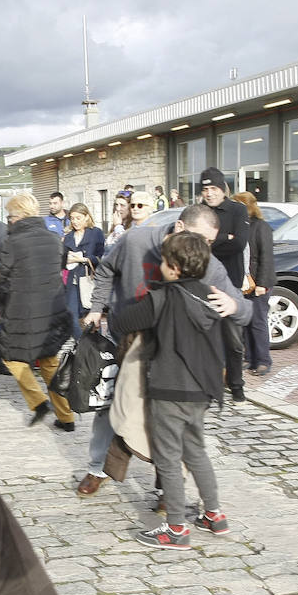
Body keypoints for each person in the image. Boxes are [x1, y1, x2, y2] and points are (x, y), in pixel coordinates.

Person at [77, 202, 248, 497]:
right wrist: (96, 308)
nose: (205, 248)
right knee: (111, 408)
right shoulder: (135, 240)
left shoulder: (207, 263)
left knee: (167, 419)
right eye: (203, 239)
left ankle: (166, 489)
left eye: (210, 242)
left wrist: (234, 305)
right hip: (128, 339)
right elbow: (105, 271)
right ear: (179, 227)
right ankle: (98, 467)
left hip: (172, 353)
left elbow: (244, 310)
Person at [114, 231, 229, 549]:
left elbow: (122, 322)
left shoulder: (161, 298)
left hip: (168, 388)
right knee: (196, 452)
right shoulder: (211, 296)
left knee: (167, 457)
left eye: (164, 262)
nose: (161, 266)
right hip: (201, 391)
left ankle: (176, 528)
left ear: (174, 268)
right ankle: (214, 515)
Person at [0, 193, 76, 431]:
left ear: (19, 216)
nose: (8, 220)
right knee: (50, 361)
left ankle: (39, 402)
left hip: (23, 311)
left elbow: (1, 278)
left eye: (10, 216)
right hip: (53, 309)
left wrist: (3, 302)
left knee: (11, 357)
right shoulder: (54, 239)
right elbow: (60, 267)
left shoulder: (12, 243)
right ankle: (67, 417)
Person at [193, 169, 252, 401]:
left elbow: (239, 243)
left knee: (234, 341)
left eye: (213, 189)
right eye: (205, 189)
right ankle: (209, 385)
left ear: (223, 188)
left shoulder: (237, 209)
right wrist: (223, 237)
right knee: (205, 339)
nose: (209, 193)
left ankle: (237, 385)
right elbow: (192, 241)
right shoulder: (199, 211)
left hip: (231, 285)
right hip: (203, 282)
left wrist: (209, 241)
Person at [236, 190, 277, 376]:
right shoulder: (240, 226)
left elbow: (266, 258)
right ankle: (249, 357)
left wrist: (262, 284)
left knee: (258, 322)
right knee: (246, 322)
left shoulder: (261, 227)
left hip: (258, 282)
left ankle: (263, 360)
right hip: (244, 283)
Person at [62, 203, 105, 338]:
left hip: (89, 279)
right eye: (72, 218)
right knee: (72, 315)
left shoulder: (95, 233)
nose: (75, 221)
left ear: (86, 217)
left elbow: (102, 257)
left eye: (78, 218)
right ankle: (80, 344)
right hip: (72, 281)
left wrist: (83, 259)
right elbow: (63, 260)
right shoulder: (69, 237)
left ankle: (93, 346)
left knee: (89, 315)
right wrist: (67, 259)